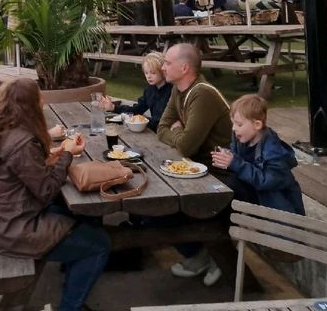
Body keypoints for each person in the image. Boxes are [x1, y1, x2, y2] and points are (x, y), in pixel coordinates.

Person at [0, 77, 110, 311]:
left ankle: (71, 270)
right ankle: (71, 306)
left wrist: (55, 154)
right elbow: (47, 191)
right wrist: (67, 155)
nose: (42, 104)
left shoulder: (4, 131)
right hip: (16, 231)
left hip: (3, 221)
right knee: (100, 243)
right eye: (39, 100)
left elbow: (23, 172)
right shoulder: (22, 142)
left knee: (82, 216)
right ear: (28, 106)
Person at [156, 43, 231, 286]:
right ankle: (201, 255)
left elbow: (186, 146)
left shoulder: (202, 93)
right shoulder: (179, 89)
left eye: (167, 63)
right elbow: (161, 127)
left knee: (164, 208)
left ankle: (212, 255)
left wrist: (178, 135)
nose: (162, 67)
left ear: (184, 67)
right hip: (196, 167)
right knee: (154, 210)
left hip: (222, 174)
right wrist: (179, 134)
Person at [211, 94, 305, 215]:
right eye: (233, 123)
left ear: (257, 125)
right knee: (231, 183)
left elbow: (266, 181)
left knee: (235, 183)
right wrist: (228, 158)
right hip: (256, 195)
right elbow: (239, 164)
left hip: (279, 206)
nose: (234, 128)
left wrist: (235, 163)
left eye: (239, 124)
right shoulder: (240, 138)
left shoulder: (274, 151)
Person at [99, 51, 172, 132]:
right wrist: (113, 107)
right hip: (153, 130)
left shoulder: (172, 91)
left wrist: (143, 120)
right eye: (146, 73)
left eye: (153, 73)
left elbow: (163, 121)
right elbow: (137, 109)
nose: (148, 76)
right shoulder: (149, 90)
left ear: (163, 71)